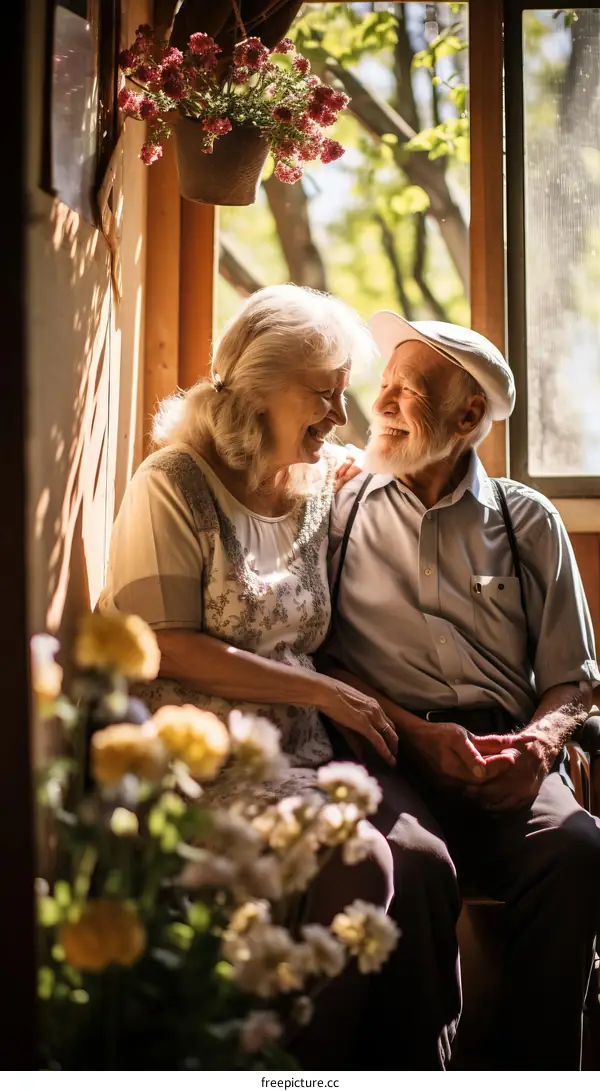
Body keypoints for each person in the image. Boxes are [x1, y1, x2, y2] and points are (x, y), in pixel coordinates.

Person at [97, 284, 400, 1068]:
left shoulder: (310, 481)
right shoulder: (173, 484)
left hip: (300, 759)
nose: (341, 415)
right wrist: (324, 691)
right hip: (206, 770)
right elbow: (164, 645)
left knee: (428, 864)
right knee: (362, 859)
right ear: (260, 388)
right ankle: (295, 1074)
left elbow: (391, 460)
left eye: (343, 395)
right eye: (324, 395)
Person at [326, 311, 600, 1071]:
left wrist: (538, 745)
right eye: (384, 385)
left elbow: (574, 677)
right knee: (409, 861)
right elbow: (316, 659)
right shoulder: (338, 507)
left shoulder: (526, 519)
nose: (381, 403)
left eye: (407, 391)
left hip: (504, 747)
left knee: (577, 848)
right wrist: (417, 736)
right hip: (386, 743)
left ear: (469, 413)